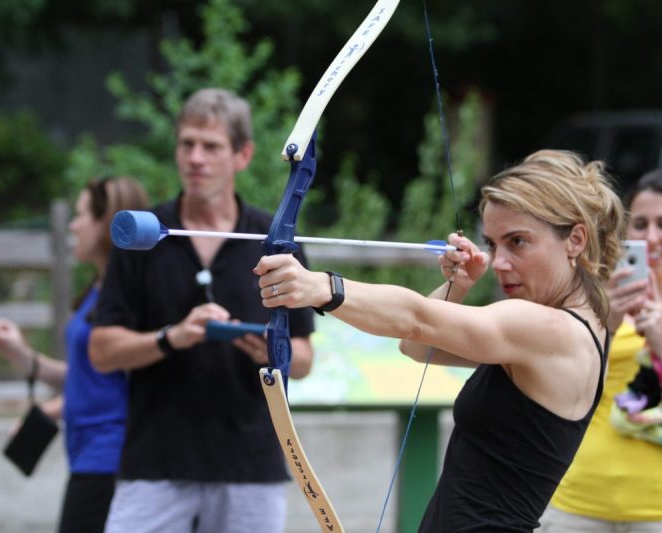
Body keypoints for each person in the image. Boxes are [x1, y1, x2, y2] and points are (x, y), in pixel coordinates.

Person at [253, 149, 625, 531]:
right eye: (493, 244)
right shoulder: (580, 328)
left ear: (575, 239)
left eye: (518, 242)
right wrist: (457, 285)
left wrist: (320, 287)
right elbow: (417, 347)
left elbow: (415, 321)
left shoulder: (551, 330)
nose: (499, 263)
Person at [89, 88, 315, 533]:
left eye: (210, 146)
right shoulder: (141, 236)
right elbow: (101, 350)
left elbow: (303, 359)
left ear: (242, 155)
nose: (195, 158)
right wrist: (172, 337)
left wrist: (268, 349)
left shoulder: (276, 241)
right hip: (155, 463)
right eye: (186, 144)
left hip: (250, 465)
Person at [0, 176, 149, 533]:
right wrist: (20, 354)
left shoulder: (134, 299)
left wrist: (49, 409)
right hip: (87, 454)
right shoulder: (97, 290)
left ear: (107, 222)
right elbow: (87, 377)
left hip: (112, 457)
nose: (74, 225)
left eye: (81, 216)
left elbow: (132, 380)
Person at [538, 168, 662, 531]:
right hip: (577, 499)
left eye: (661, 223)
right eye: (640, 224)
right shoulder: (591, 294)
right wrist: (605, 322)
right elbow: (560, 385)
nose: (651, 237)